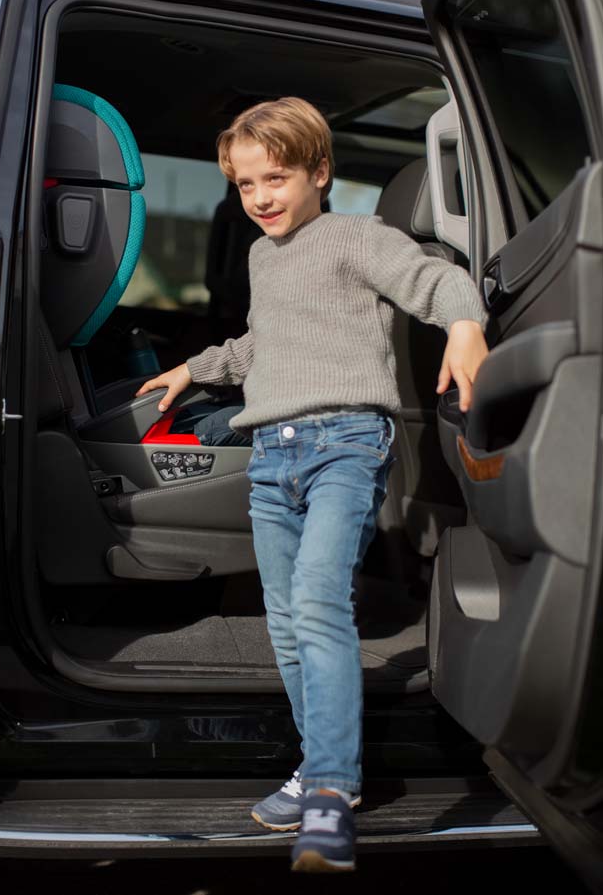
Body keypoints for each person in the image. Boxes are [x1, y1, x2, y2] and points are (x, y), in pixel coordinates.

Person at [136, 97, 488, 872]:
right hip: (271, 458)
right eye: (244, 184)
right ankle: (313, 765)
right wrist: (196, 368)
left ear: (319, 173)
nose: (260, 196)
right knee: (286, 621)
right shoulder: (265, 257)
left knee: (322, 600)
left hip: (345, 444)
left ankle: (331, 786)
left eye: (276, 177)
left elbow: (431, 278)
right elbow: (268, 339)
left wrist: (464, 323)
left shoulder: (355, 239)